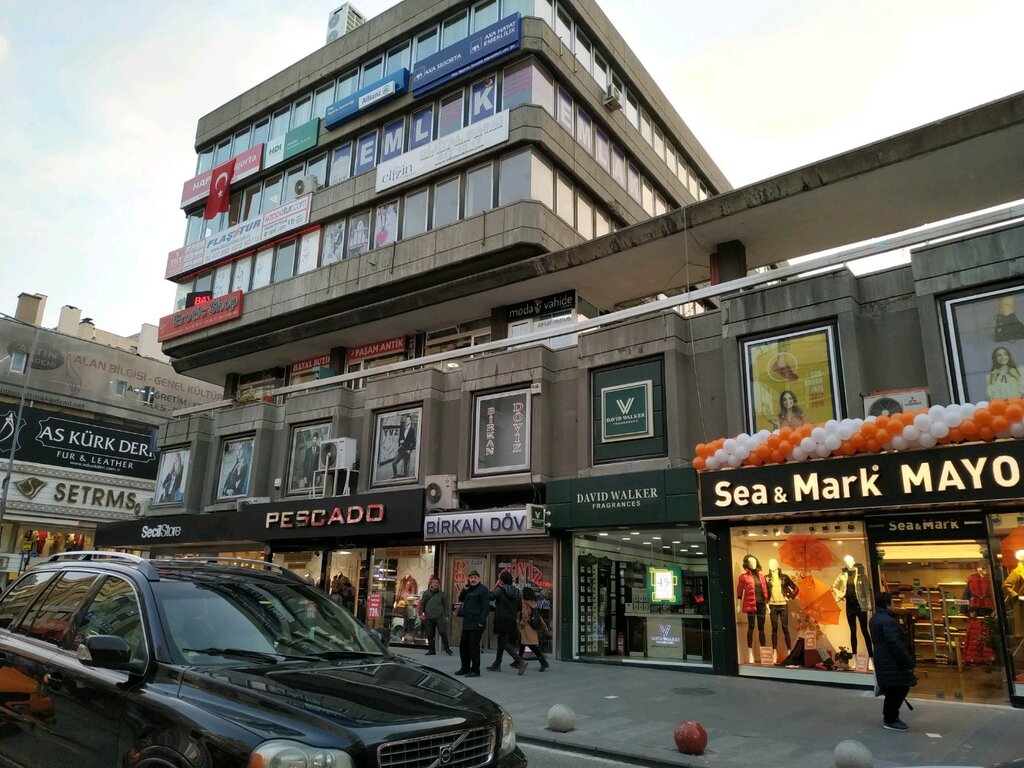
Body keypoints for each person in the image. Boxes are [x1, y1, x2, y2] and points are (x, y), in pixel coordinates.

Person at [869, 591, 916, 731]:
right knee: (899, 688)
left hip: (883, 659)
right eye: (893, 602)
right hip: (891, 660)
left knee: (894, 689)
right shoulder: (888, 621)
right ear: (887, 604)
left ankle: (892, 716)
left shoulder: (875, 619)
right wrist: (908, 661)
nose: (894, 605)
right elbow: (895, 643)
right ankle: (890, 719)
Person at [832, 554, 874, 662]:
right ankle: (855, 659)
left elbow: (867, 591)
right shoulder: (843, 574)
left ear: (854, 561)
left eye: (850, 561)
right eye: (846, 561)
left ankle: (871, 658)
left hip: (860, 605)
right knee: (853, 631)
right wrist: (841, 594)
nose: (848, 563)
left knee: (864, 630)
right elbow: (834, 586)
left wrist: (869, 606)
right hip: (850, 606)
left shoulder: (861, 574)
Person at [487, 572, 526, 674]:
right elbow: (519, 607)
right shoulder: (517, 592)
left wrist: (495, 585)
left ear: (502, 580)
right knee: (502, 640)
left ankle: (519, 660)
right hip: (511, 620)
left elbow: (490, 596)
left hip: (501, 619)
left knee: (503, 642)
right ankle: (497, 664)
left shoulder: (501, 590)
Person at [455, 570, 490, 677]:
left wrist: (482, 621)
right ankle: (465, 668)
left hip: (477, 623)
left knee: (473, 647)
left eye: (475, 577)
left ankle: (475, 670)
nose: (473, 580)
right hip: (467, 622)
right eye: (471, 578)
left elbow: (486, 607)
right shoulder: (468, 589)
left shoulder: (483, 590)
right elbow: (461, 599)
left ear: (479, 579)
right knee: (463, 646)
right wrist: (465, 588)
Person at [765, 558, 798, 663]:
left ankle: (789, 652)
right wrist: (766, 604)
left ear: (778, 565)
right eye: (770, 563)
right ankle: (774, 652)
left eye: (774, 563)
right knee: (774, 629)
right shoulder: (766, 578)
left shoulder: (784, 577)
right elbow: (764, 592)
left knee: (785, 628)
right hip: (772, 605)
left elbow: (795, 588)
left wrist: (790, 597)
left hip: (783, 605)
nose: (772, 565)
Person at [736, 555, 768, 663]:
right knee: (751, 627)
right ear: (747, 564)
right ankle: (750, 653)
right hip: (750, 604)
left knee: (761, 628)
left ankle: (763, 654)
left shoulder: (761, 576)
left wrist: (767, 605)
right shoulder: (743, 577)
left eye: (754, 562)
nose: (753, 564)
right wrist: (738, 604)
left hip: (761, 604)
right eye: (750, 562)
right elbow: (739, 591)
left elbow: (764, 591)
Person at [418, 576, 452, 656]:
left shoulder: (442, 594)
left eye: (437, 583)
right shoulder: (426, 593)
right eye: (434, 582)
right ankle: (431, 650)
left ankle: (447, 648)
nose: (435, 584)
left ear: (439, 584)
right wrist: (420, 614)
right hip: (428, 617)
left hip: (439, 617)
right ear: (431, 583)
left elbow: (446, 605)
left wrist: (447, 615)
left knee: (442, 632)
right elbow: (422, 604)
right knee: (430, 634)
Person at [517, 586, 549, 671]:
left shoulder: (524, 603)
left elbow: (525, 615)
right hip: (532, 627)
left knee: (532, 646)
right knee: (522, 644)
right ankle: (517, 661)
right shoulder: (533, 602)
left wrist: (521, 624)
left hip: (526, 627)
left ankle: (543, 662)